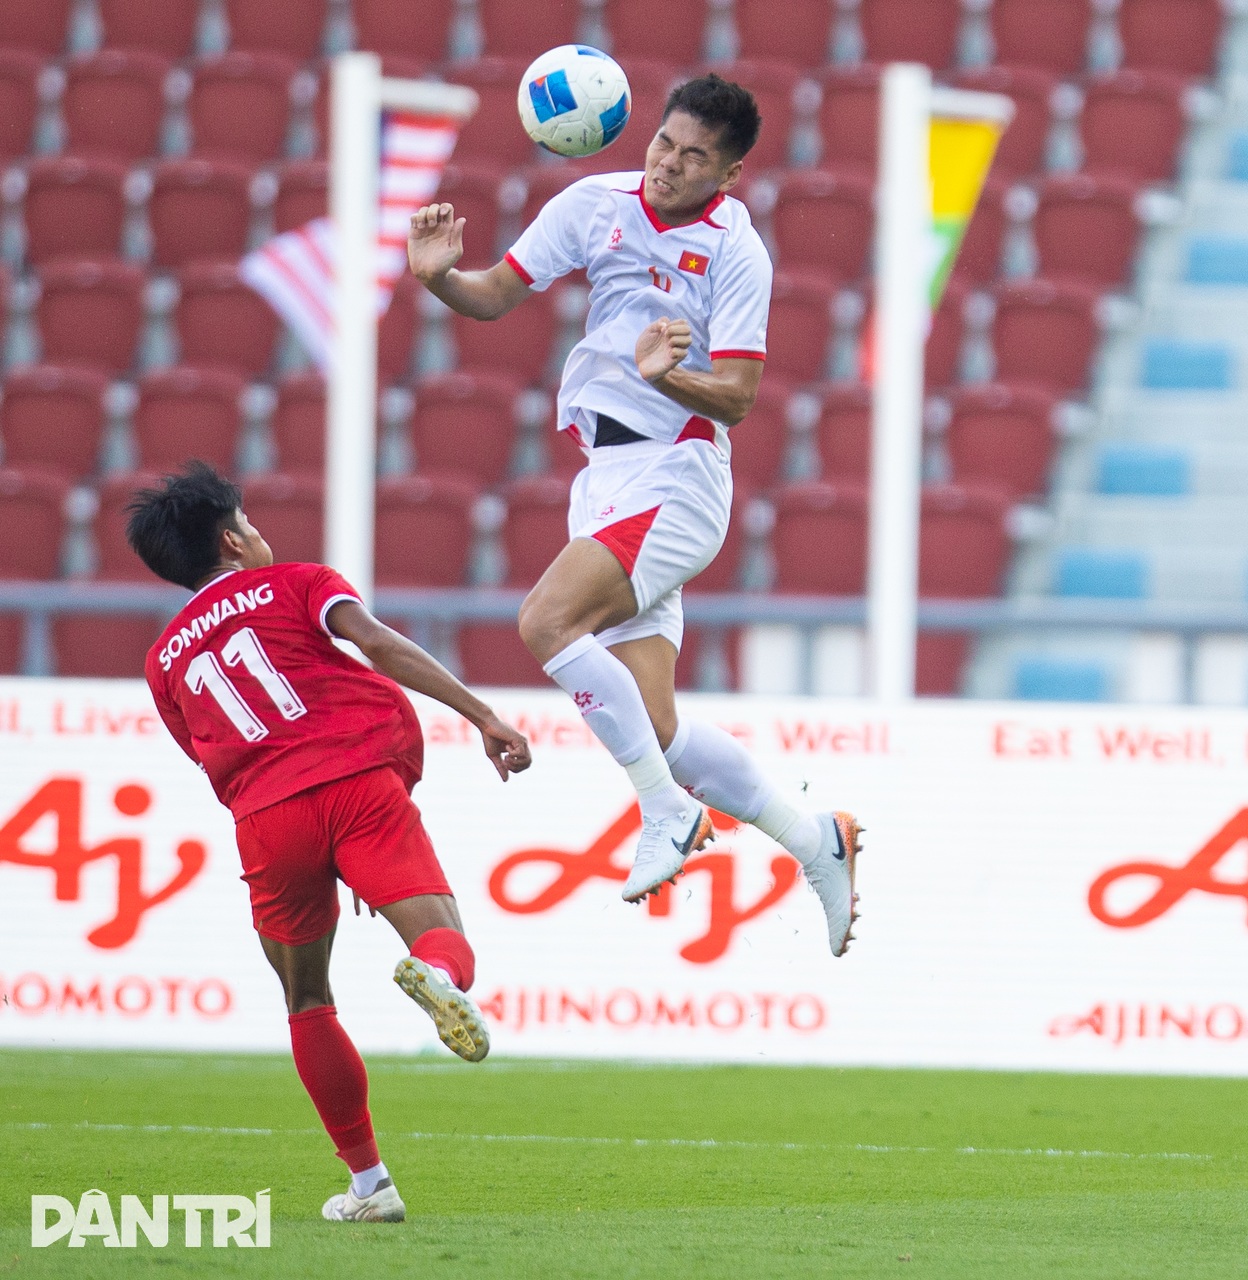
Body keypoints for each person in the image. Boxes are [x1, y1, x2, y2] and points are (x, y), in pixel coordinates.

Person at [405, 72, 861, 955]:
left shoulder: (737, 253)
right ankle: (817, 843)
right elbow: (494, 294)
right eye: (663, 143)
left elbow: (738, 397)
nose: (669, 165)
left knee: (545, 621)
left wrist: (669, 377)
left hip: (677, 472)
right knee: (657, 727)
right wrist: (439, 279)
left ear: (729, 174)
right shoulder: (594, 204)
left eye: (695, 158)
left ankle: (664, 812)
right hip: (606, 473)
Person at [131, 463, 534, 1225]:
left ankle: (370, 1184)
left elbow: (208, 754)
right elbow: (378, 644)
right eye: (248, 523)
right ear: (231, 540)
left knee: (307, 999)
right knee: (445, 939)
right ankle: (435, 975)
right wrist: (482, 715)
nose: (258, 534)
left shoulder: (164, 661)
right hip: (357, 783)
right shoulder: (296, 582)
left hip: (267, 818)